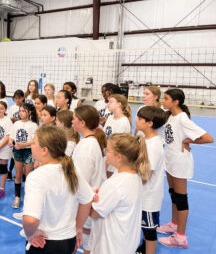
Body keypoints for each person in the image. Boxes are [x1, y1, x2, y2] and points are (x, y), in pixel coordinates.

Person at [22, 126, 94, 254]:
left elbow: (30, 219)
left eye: (33, 143)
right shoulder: (71, 167)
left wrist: (30, 234)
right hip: (69, 240)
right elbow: (87, 200)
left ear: (44, 150)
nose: (31, 145)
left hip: (45, 243)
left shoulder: (36, 177)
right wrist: (78, 227)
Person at [157, 89, 213, 248]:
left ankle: (180, 238)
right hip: (170, 161)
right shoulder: (170, 116)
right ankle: (174, 224)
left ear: (175, 102)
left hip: (180, 162)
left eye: (166, 98)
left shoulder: (182, 118)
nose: (163, 100)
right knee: (173, 194)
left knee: (181, 199)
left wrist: (187, 141)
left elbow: (208, 138)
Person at [89, 133, 151, 254]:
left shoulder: (115, 184)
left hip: (110, 247)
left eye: (108, 150)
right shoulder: (134, 176)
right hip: (125, 244)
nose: (106, 153)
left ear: (119, 157)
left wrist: (87, 197)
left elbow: (94, 213)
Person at [72, 105, 107, 253]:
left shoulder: (88, 146)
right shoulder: (88, 141)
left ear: (82, 122)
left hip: (85, 202)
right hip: (87, 199)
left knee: (85, 240)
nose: (72, 121)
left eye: (74, 118)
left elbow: (82, 180)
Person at [134, 106, 166, 254]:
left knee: (149, 231)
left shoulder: (154, 145)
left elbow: (146, 176)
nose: (136, 120)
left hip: (149, 198)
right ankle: (144, 248)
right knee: (143, 228)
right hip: (142, 194)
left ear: (150, 123)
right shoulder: (145, 139)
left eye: (140, 118)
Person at [8, 103, 38, 209]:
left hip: (28, 151)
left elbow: (34, 141)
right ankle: (17, 197)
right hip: (18, 151)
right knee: (18, 175)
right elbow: (11, 136)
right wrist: (11, 142)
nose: (21, 113)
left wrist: (23, 145)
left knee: (28, 176)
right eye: (20, 110)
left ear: (29, 113)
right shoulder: (16, 124)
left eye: (23, 111)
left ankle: (29, 197)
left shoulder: (33, 125)